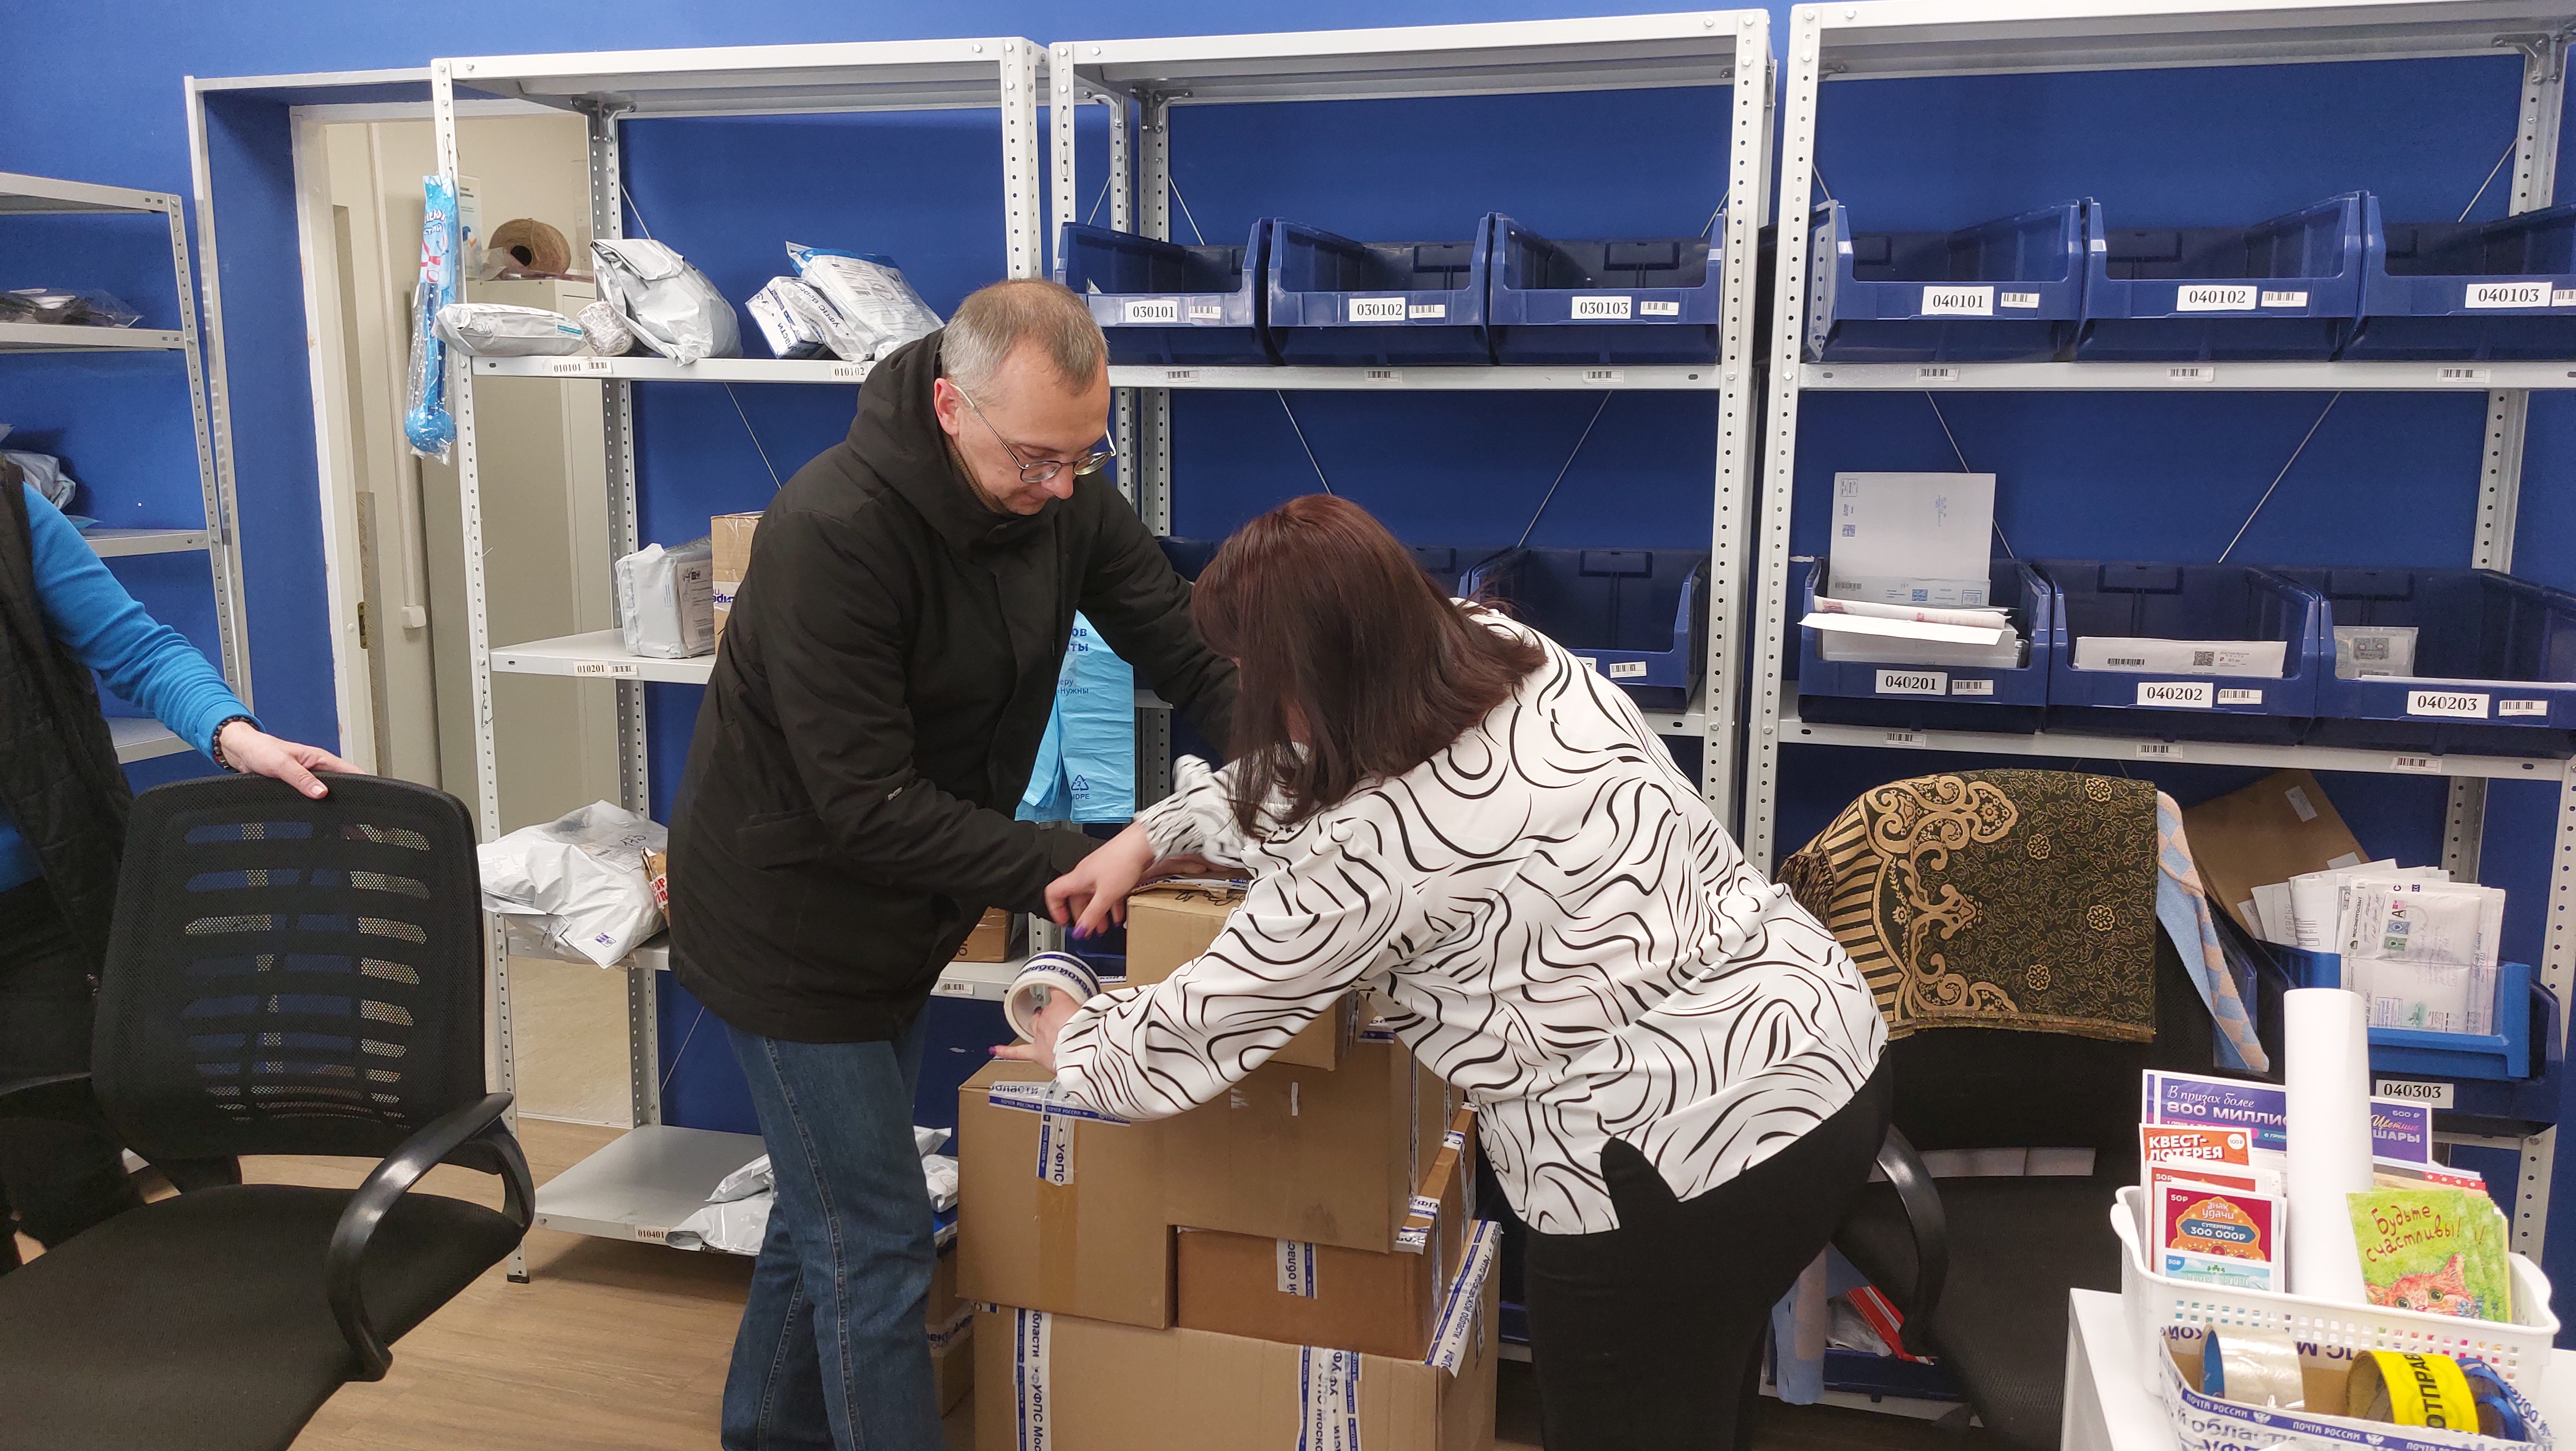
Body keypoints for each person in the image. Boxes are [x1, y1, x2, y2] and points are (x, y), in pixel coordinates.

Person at [1001, 495, 1890, 1451]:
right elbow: (1321, 775)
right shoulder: (1506, 650)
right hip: (1825, 1054)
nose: (1246, 686)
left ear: (1313, 676)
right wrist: (1156, 833)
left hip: (1668, 1163)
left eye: (1255, 670)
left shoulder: (1363, 859)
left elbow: (1183, 1037)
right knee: (1697, 1394)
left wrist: (1067, 1029)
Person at [668, 279, 1235, 1451]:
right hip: (787, 920)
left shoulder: (1062, 497)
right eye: (1035, 459)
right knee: (875, 1243)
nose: (1061, 488)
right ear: (947, 406)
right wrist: (1096, 858)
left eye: (1083, 456)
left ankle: (762, 1436)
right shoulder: (834, 531)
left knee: (826, 1214)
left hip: (902, 908)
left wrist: (1307, 761)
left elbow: (1186, 650)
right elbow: (868, 807)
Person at [1, 459, 354, 1268]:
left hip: (36, 922)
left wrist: (234, 735)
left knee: (70, 1189)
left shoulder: (9, 511)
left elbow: (140, 649)